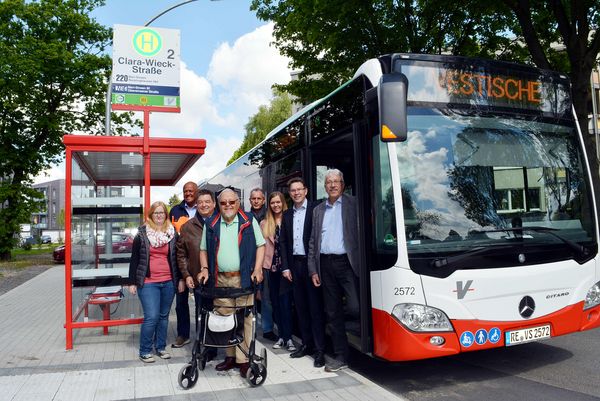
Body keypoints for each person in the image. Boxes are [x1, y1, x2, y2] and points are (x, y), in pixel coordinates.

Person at [197, 188, 265, 378]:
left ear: (238, 202)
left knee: (245, 319)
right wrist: (204, 268)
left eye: (231, 202)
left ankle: (243, 360)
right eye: (223, 203)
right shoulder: (211, 223)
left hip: (243, 278)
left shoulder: (249, 220)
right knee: (224, 318)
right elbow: (203, 249)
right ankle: (230, 357)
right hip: (219, 278)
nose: (228, 205)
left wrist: (258, 269)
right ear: (218, 205)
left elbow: (261, 245)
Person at [308, 169, 359, 372]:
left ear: (342, 184)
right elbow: (313, 242)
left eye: (336, 181)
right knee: (332, 312)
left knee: (354, 307)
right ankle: (341, 355)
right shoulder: (318, 210)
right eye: (329, 182)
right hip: (325, 265)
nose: (332, 185)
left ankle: (360, 339)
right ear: (325, 186)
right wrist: (313, 270)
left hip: (348, 263)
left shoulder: (354, 204)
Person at [280, 177, 325, 367]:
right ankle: (306, 344)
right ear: (290, 194)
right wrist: (285, 267)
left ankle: (320, 350)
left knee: (315, 309)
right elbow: (283, 242)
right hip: (294, 266)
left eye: (299, 189)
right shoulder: (287, 214)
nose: (296, 193)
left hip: (311, 264)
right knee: (301, 308)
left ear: (306, 191)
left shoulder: (316, 209)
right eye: (293, 190)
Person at [128, 201, 178, 363]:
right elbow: (135, 259)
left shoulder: (172, 233)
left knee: (163, 317)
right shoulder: (142, 234)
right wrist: (132, 282)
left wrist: (181, 280)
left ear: (166, 215)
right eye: (156, 213)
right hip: (148, 282)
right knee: (151, 316)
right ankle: (145, 350)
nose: (159, 215)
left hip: (169, 282)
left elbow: (177, 258)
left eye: (161, 212)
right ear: (150, 215)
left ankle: (161, 347)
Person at [176, 189, 218, 360]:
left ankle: (220, 346)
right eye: (200, 202)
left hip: (222, 279)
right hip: (199, 279)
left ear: (214, 204)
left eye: (207, 201)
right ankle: (204, 347)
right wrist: (186, 275)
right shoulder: (187, 227)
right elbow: (181, 254)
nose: (204, 205)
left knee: (221, 313)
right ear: (196, 205)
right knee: (202, 313)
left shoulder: (223, 222)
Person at [260, 191, 296, 352]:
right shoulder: (264, 223)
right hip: (271, 268)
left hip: (286, 268)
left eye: (278, 202)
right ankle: (281, 336)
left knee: (286, 304)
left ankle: (289, 338)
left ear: (283, 203)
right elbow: (261, 247)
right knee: (275, 303)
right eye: (273, 203)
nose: (276, 205)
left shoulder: (290, 219)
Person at [169, 181, 198, 348]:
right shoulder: (175, 210)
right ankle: (183, 334)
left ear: (197, 192)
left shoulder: (204, 208)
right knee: (181, 302)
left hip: (199, 261)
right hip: (180, 261)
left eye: (191, 191)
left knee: (202, 302)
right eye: (185, 191)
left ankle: (203, 335)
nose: (188, 193)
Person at [249, 187, 277, 341]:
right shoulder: (245, 217)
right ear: (250, 200)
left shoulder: (270, 216)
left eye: (259, 198)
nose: (256, 201)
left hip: (265, 263)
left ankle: (267, 329)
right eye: (253, 198)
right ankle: (249, 328)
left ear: (264, 200)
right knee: (248, 297)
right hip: (249, 263)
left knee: (266, 298)